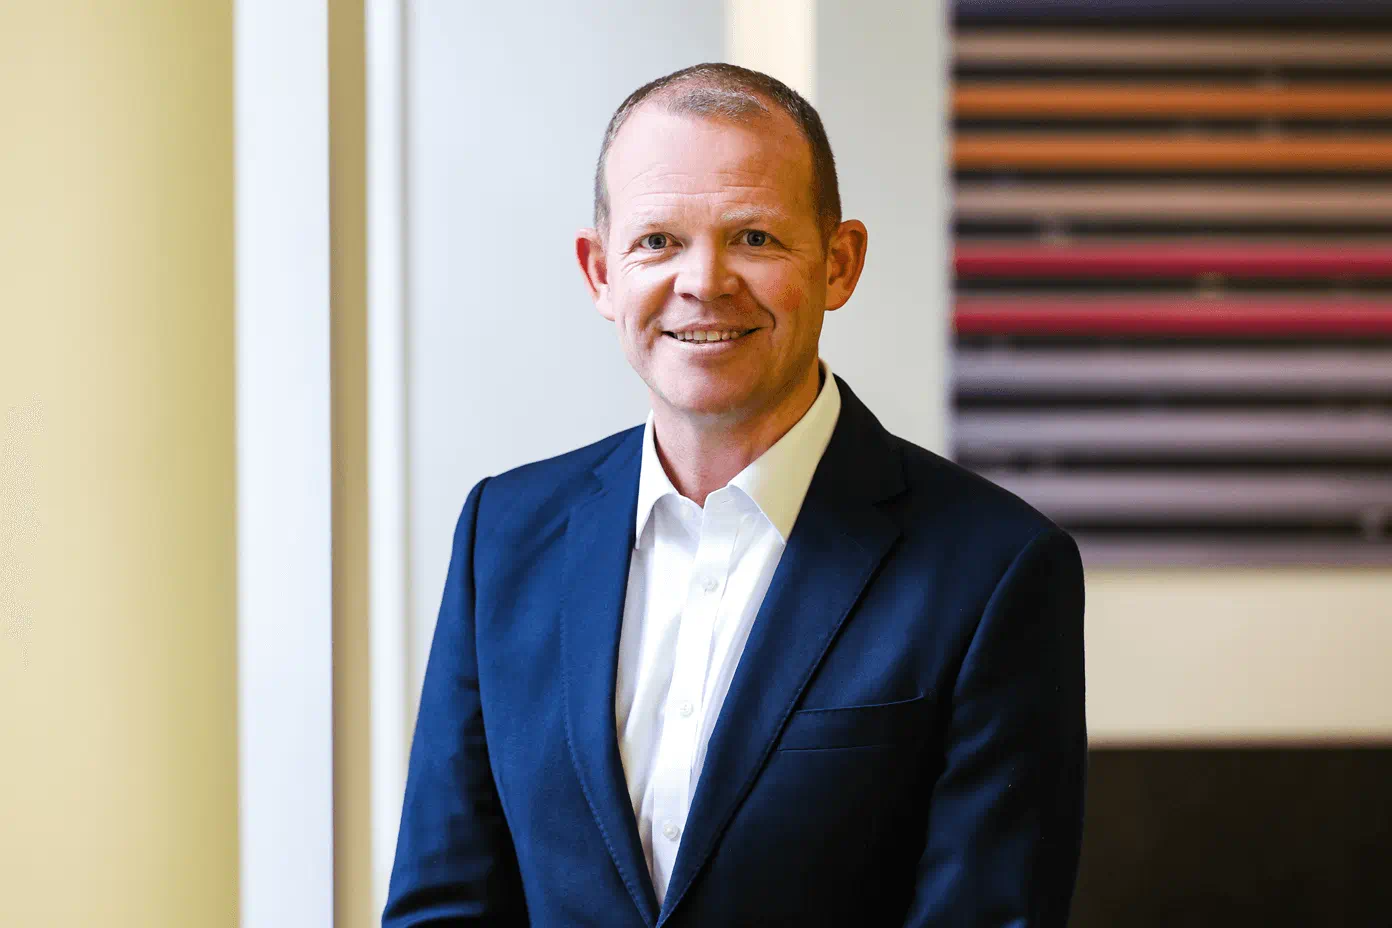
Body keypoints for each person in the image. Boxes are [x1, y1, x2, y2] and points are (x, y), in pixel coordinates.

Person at [383, 63, 1086, 928]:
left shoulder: (995, 571)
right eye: (657, 242)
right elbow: (443, 905)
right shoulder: (505, 535)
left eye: (753, 237)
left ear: (839, 263)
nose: (705, 281)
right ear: (599, 272)